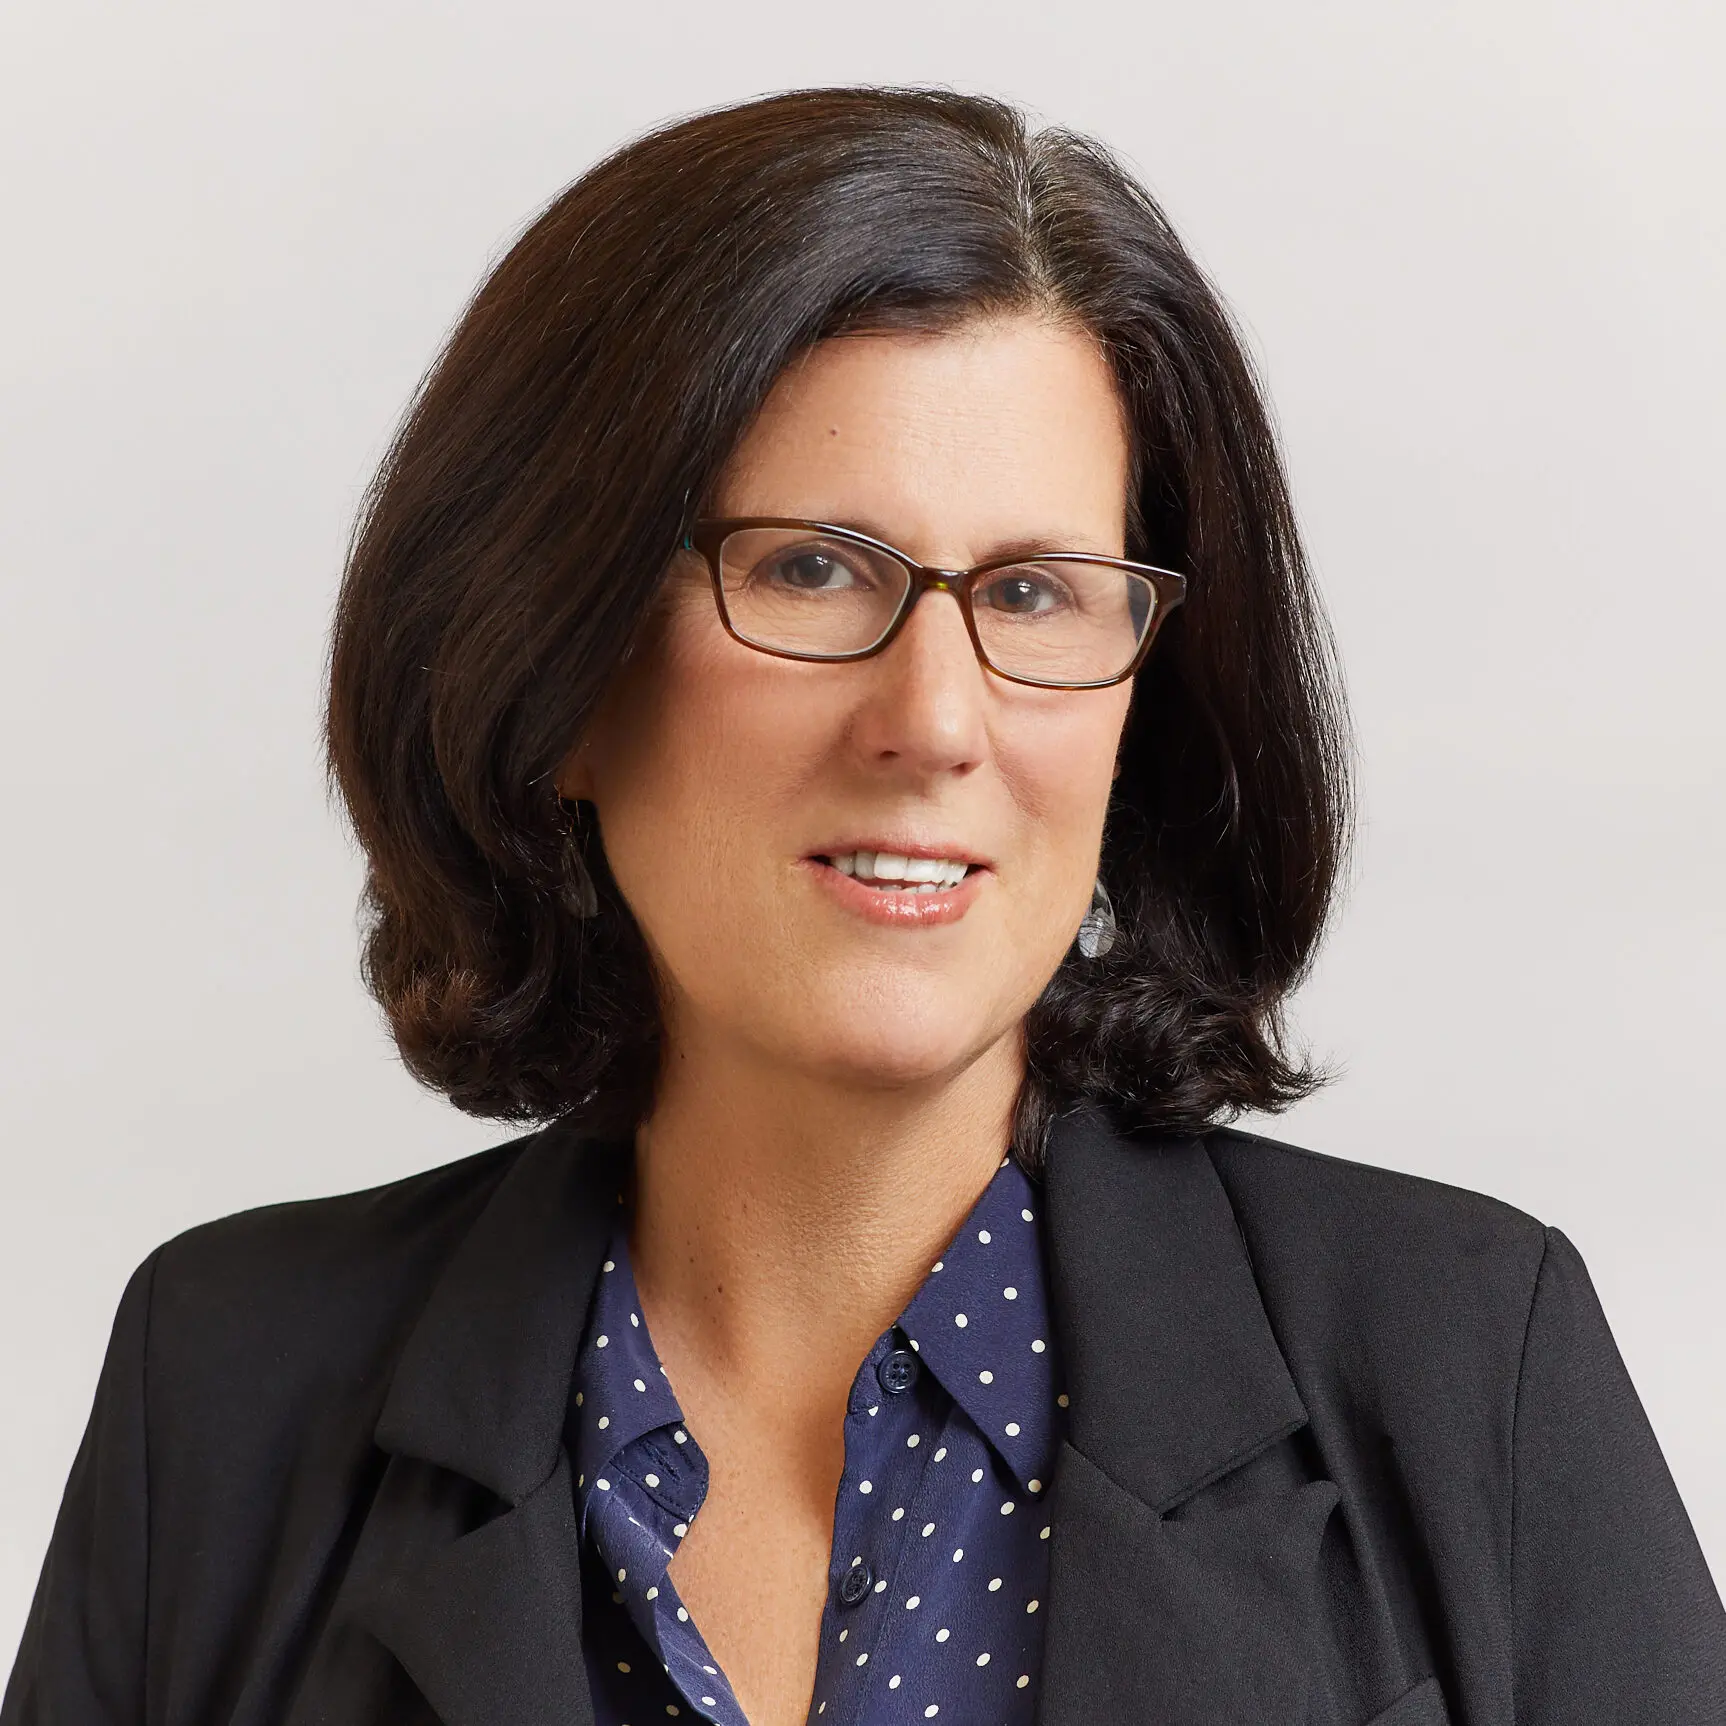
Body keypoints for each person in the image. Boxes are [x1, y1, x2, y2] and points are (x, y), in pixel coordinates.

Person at [5, 85, 1722, 1726]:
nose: (936, 719)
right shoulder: (222, 1389)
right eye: (810, 567)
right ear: (560, 662)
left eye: (1038, 592)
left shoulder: (1464, 1363)